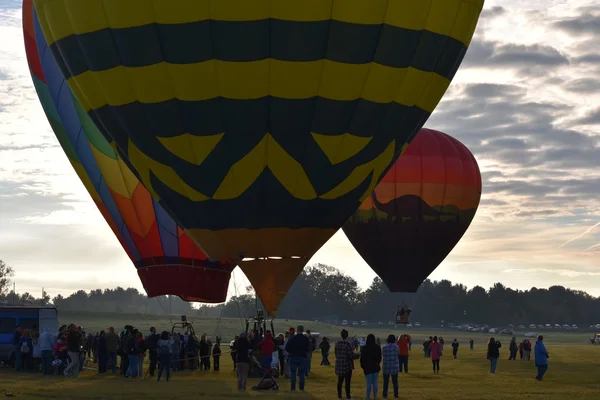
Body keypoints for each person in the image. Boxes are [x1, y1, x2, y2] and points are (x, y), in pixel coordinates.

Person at [335, 329, 359, 400]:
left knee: (340, 381)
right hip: (347, 366)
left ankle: (339, 396)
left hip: (339, 365)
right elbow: (351, 355)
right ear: (347, 335)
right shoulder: (348, 344)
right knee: (347, 382)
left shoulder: (337, 343)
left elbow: (336, 354)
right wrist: (358, 354)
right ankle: (348, 397)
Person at [285, 325, 311, 391]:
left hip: (293, 356)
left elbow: (287, 347)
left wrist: (291, 352)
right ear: (303, 330)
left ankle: (293, 387)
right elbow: (309, 348)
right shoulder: (306, 338)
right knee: (301, 373)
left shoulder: (293, 338)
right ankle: (301, 387)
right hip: (302, 357)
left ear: (297, 330)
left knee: (293, 372)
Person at [360, 334, 381, 400]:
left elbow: (362, 359)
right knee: (375, 382)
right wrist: (377, 363)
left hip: (367, 367)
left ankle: (367, 397)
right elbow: (379, 358)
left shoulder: (365, 348)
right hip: (375, 367)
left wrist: (363, 367)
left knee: (369, 383)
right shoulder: (378, 347)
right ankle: (375, 397)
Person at [381, 334, 400, 399]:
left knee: (385, 382)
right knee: (395, 382)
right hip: (394, 367)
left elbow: (383, 355)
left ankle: (385, 394)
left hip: (386, 366)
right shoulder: (397, 347)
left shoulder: (384, 348)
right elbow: (398, 355)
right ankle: (396, 395)